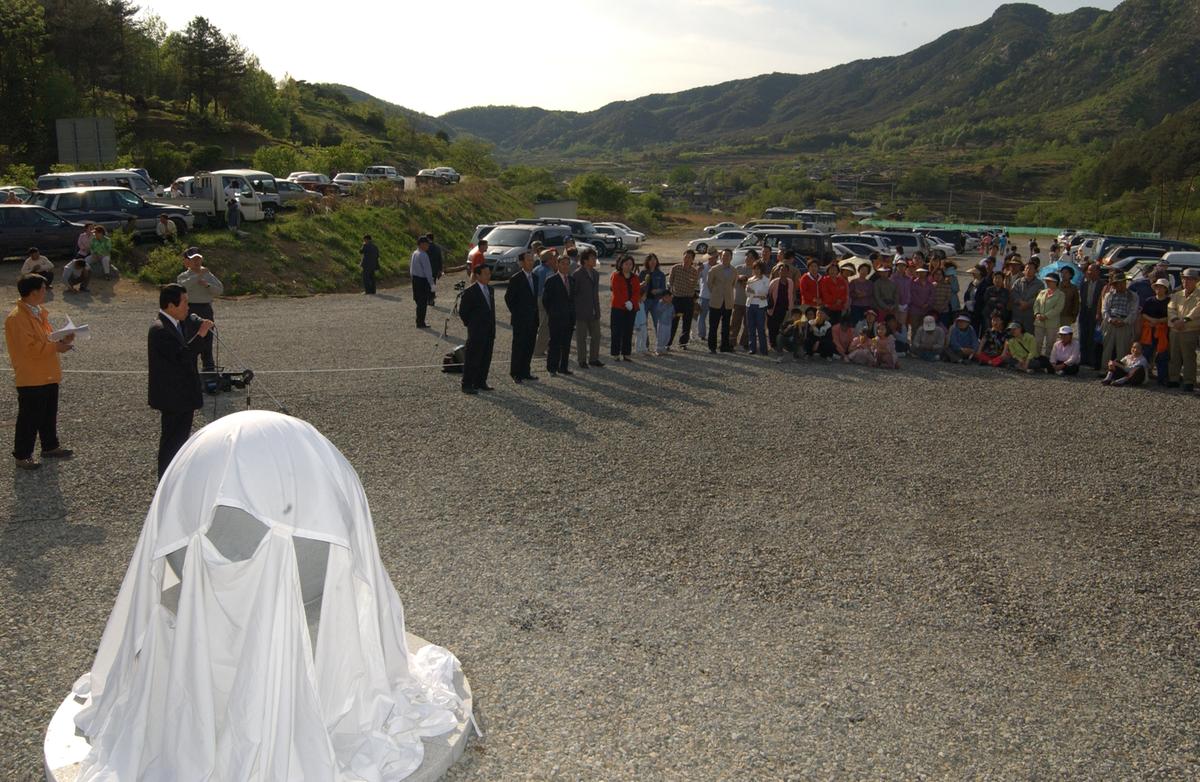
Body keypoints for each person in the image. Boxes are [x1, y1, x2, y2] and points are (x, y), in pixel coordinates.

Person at [6, 274, 75, 470]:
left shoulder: (37, 312)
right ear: (34, 292)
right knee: (29, 417)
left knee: (48, 413)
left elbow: (46, 339)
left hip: (47, 371)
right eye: (44, 288)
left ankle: (50, 446)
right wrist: (56, 347)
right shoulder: (17, 318)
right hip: (31, 375)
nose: (47, 291)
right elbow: (28, 348)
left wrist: (63, 340)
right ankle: (22, 455)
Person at [148, 284, 212, 478]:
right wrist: (201, 334)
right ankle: (166, 481)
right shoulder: (160, 329)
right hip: (172, 397)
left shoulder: (176, 324)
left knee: (180, 441)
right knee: (171, 443)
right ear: (170, 305)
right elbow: (182, 357)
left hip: (182, 396)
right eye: (184, 302)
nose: (188, 307)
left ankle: (175, 477)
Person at [177, 247, 224, 376]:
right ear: (186, 262)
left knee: (207, 340)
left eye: (199, 259)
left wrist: (207, 285)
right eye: (194, 260)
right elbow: (182, 288)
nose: (197, 262)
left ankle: (209, 373)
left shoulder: (208, 274)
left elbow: (220, 290)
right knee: (190, 339)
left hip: (205, 309)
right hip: (189, 310)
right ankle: (188, 372)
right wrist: (198, 275)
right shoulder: (183, 276)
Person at [457, 265, 497, 394]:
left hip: (489, 329)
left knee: (486, 357)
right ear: (478, 275)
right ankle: (467, 384)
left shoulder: (490, 290)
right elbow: (463, 312)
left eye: (489, 273)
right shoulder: (470, 292)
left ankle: (481, 381)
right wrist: (472, 324)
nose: (488, 276)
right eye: (485, 274)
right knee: (472, 358)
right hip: (476, 330)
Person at [503, 250, 539, 383]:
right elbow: (509, 299)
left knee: (529, 346)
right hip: (520, 319)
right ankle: (516, 372)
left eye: (532, 260)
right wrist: (517, 313)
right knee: (519, 346)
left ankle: (525, 371)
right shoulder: (516, 279)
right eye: (528, 260)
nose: (531, 262)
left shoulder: (535, 277)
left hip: (533, 319)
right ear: (521, 263)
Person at [1167, 268, 1200, 392]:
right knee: (1174, 355)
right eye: (1184, 278)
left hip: (1190, 329)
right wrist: (1175, 320)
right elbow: (1171, 308)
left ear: (1196, 281)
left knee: (1189, 356)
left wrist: (1185, 320)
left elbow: (1197, 310)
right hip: (1175, 329)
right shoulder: (1177, 294)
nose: (1186, 281)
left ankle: (1189, 381)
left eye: (1190, 279)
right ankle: (1174, 378)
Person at [544, 253, 577, 373]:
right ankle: (552, 367)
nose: (565, 266)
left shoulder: (572, 280)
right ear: (557, 264)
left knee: (566, 345)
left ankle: (564, 367)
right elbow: (546, 301)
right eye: (562, 263)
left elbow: (573, 299)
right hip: (556, 318)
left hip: (569, 318)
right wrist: (553, 313)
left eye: (567, 264)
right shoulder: (551, 280)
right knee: (554, 344)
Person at [1100, 272, 1139, 370]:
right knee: (1107, 348)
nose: (1120, 285)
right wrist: (1109, 319)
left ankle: (1120, 370)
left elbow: (1133, 311)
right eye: (1117, 283)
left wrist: (1125, 321)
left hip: (1124, 322)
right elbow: (1104, 309)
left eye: (1122, 283)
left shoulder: (1133, 296)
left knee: (1123, 349)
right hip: (1111, 321)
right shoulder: (1109, 295)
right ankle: (1105, 369)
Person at [572, 248, 603, 368]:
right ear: (585, 260)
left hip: (594, 310)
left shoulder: (596, 273)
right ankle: (582, 360)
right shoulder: (577, 274)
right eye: (592, 258)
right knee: (581, 338)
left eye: (595, 257)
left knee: (596, 336)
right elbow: (573, 293)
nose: (595, 260)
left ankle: (594, 358)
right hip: (581, 311)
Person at [1140, 277, 1171, 385]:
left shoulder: (1169, 301)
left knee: (1162, 354)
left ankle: (1162, 378)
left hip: (1163, 331)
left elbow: (1171, 316)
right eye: (1157, 286)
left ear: (1166, 289)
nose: (1159, 289)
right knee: (1147, 353)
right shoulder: (1149, 300)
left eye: (1161, 287)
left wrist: (1158, 321)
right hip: (1149, 330)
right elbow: (1143, 313)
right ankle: (1143, 375)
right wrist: (1151, 320)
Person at [667, 249, 700, 349]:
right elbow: (670, 282)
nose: (686, 259)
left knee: (687, 322)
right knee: (673, 322)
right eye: (685, 257)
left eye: (689, 257)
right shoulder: (675, 268)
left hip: (688, 300)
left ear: (692, 260)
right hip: (676, 299)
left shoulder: (694, 271)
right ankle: (668, 343)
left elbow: (696, 286)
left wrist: (694, 299)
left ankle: (683, 343)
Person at [609, 255, 639, 361]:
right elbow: (616, 291)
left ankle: (626, 353)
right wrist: (625, 302)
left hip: (631, 308)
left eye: (630, 264)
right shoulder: (616, 276)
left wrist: (632, 302)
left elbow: (637, 291)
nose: (628, 266)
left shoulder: (635, 277)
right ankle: (615, 353)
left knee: (628, 331)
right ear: (621, 265)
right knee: (616, 330)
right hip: (618, 307)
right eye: (626, 264)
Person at [707, 249, 737, 353]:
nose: (725, 257)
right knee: (713, 326)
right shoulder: (714, 269)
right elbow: (709, 283)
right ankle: (712, 347)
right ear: (720, 257)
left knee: (725, 326)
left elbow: (733, 284)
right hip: (716, 301)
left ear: (731, 257)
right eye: (723, 255)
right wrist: (716, 292)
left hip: (728, 301)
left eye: (728, 256)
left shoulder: (734, 270)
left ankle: (724, 346)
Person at [638, 253, 668, 354]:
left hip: (656, 302)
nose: (653, 262)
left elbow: (664, 289)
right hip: (645, 301)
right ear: (647, 262)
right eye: (650, 260)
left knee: (657, 324)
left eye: (654, 260)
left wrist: (658, 291)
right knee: (643, 324)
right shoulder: (642, 273)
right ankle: (645, 346)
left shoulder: (660, 274)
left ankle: (659, 346)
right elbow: (637, 287)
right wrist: (642, 288)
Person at [1078, 262, 1104, 370]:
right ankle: (1083, 358)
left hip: (1095, 313)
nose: (1089, 272)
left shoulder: (1102, 285)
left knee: (1093, 337)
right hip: (1084, 312)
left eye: (1091, 270)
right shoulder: (1084, 283)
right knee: (1082, 335)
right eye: (1088, 270)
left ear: (1097, 272)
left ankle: (1092, 359)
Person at [1033, 272, 1065, 357]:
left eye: (1050, 281)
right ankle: (1036, 360)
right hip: (1039, 321)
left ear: (1056, 282)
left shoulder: (1061, 295)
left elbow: (1058, 308)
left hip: (1052, 323)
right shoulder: (1042, 292)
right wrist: (1037, 313)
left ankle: (1048, 362)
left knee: (1050, 344)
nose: (1047, 283)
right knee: (1037, 342)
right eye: (1046, 281)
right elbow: (1036, 304)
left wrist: (1046, 316)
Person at [532, 249, 557, 357]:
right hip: (544, 299)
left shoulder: (536, 269)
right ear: (549, 260)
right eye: (553, 258)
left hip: (536, 298)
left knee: (541, 324)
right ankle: (539, 350)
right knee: (544, 326)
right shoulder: (548, 272)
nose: (555, 259)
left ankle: (542, 347)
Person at [766, 263, 796, 352]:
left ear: (788, 272)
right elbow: (768, 293)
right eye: (781, 270)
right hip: (774, 308)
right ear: (778, 272)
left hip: (785, 309)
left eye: (785, 270)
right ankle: (773, 344)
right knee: (772, 327)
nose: (783, 272)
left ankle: (781, 344)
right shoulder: (774, 282)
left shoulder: (790, 282)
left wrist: (791, 306)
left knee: (783, 327)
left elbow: (791, 294)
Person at [1010, 261, 1044, 335]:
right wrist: (1020, 302)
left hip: (1030, 315)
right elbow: (1013, 293)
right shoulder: (1018, 282)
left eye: (1031, 269)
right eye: (1027, 268)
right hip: (1018, 313)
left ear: (1035, 271)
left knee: (1029, 336)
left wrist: (1028, 304)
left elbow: (1039, 297)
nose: (1028, 270)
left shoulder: (1040, 284)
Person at [728, 250, 753, 351]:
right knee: (735, 323)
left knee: (748, 324)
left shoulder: (755, 270)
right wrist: (739, 277)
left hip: (749, 302)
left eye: (751, 257)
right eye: (747, 257)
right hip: (737, 301)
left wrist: (746, 281)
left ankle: (744, 343)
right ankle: (732, 341)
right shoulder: (738, 268)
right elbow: (731, 280)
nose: (748, 259)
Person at [744, 260, 770, 356]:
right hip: (750, 304)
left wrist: (753, 292)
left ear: (762, 269)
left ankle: (763, 349)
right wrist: (750, 292)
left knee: (760, 328)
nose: (757, 270)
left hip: (760, 305)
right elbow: (747, 293)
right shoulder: (750, 279)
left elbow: (764, 293)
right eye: (755, 268)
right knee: (750, 327)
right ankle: (752, 348)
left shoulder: (766, 280)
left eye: (758, 269)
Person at [410, 235, 435, 328]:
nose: (428, 246)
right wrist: (432, 283)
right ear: (422, 244)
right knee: (422, 302)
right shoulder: (423, 255)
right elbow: (428, 271)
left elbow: (411, 269)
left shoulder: (415, 253)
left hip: (415, 279)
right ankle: (420, 322)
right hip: (422, 281)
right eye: (427, 244)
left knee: (418, 300)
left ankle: (419, 320)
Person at [694, 250, 717, 340]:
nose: (711, 259)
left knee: (714, 318)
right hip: (704, 295)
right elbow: (696, 278)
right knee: (702, 316)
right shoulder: (703, 266)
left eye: (714, 257)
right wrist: (698, 270)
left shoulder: (719, 266)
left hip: (715, 297)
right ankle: (702, 334)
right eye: (710, 257)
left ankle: (712, 334)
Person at [907, 267, 933, 341]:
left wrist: (927, 304)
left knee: (924, 328)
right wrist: (921, 304)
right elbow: (912, 295)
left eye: (923, 272)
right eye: (919, 272)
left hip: (926, 310)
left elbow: (932, 295)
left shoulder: (929, 284)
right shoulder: (913, 283)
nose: (921, 274)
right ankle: (914, 345)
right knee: (914, 328)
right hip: (915, 310)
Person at [424, 232, 444, 301]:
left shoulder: (426, 247)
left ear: (428, 238)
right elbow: (440, 259)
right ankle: (432, 298)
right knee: (433, 284)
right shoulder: (437, 247)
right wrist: (440, 270)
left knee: (427, 284)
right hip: (435, 270)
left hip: (427, 269)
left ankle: (428, 298)